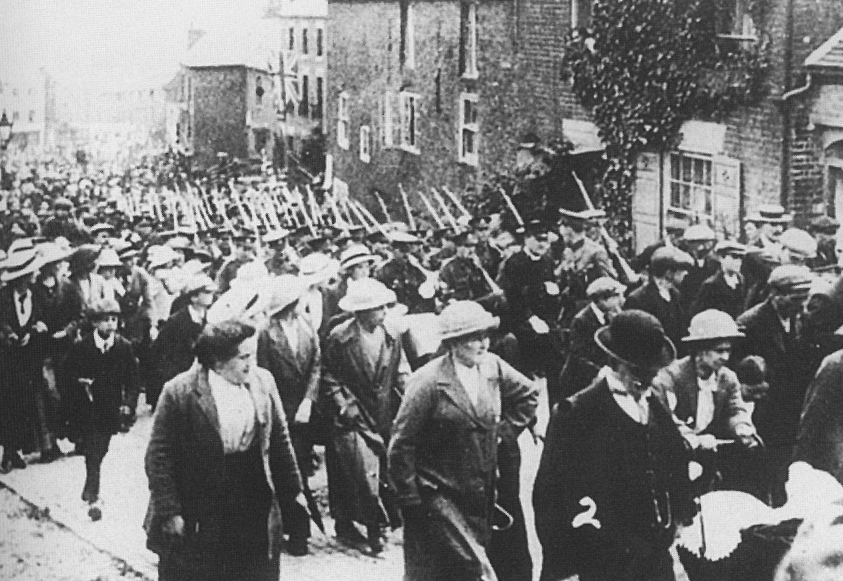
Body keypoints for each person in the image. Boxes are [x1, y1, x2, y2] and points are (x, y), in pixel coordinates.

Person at [534, 310, 696, 581]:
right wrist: (565, 565)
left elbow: (675, 460)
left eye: (652, 372)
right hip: (600, 557)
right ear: (616, 363)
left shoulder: (655, 406)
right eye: (638, 372)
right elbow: (550, 495)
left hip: (653, 554)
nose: (646, 381)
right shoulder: (577, 414)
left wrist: (681, 514)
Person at [144, 320, 307, 581]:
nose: (249, 364)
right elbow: (158, 457)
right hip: (201, 501)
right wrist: (170, 511)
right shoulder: (180, 392)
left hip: (252, 493)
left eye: (250, 356)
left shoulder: (263, 382)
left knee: (254, 569)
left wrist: (294, 493)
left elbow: (279, 442)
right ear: (218, 362)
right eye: (242, 357)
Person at [388, 301, 538, 581]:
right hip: (439, 491)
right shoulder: (428, 382)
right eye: (473, 338)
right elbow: (401, 444)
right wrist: (411, 499)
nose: (483, 344)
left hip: (481, 489)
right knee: (460, 566)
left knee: (473, 562)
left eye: (485, 336)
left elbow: (529, 395)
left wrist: (502, 433)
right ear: (454, 343)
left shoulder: (492, 368)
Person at [320, 278, 410, 553]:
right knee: (360, 472)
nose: (383, 312)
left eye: (384, 306)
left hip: (384, 411)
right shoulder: (340, 337)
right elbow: (328, 375)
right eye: (377, 308)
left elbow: (401, 368)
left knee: (385, 468)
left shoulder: (392, 334)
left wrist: (410, 392)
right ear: (361, 312)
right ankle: (369, 527)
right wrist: (342, 404)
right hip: (352, 415)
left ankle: (384, 522)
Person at [652, 309, 760, 496]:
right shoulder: (670, 378)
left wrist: (741, 427)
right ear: (700, 351)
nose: (725, 357)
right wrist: (693, 438)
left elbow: (735, 409)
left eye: (728, 350)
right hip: (674, 455)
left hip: (708, 455)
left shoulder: (727, 378)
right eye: (719, 351)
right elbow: (666, 419)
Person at [733, 264, 815, 506]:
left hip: (792, 412)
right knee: (762, 475)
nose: (802, 304)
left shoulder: (801, 319)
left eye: (805, 298)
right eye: (796, 298)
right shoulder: (750, 323)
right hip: (763, 413)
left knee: (787, 473)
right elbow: (735, 368)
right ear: (775, 294)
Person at [257, 275, 320, 556]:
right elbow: (263, 376)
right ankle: (293, 530)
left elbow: (317, 366)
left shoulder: (307, 326)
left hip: (303, 414)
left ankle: (299, 531)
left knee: (302, 468)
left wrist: (308, 400)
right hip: (279, 412)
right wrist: (277, 410)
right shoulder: (265, 334)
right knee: (285, 472)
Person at [62, 299, 139, 521]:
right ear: (95, 323)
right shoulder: (82, 347)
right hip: (86, 408)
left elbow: (133, 379)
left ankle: (89, 484)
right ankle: (94, 495)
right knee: (93, 448)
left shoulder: (123, 347)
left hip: (110, 408)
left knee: (101, 448)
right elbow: (67, 375)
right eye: (105, 320)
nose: (111, 324)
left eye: (114, 319)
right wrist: (80, 383)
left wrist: (128, 404)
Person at [0, 249, 50, 472]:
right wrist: (7, 334)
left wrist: (34, 330)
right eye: (32, 272)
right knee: (8, 404)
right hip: (7, 359)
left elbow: (41, 319)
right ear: (23, 276)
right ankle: (8, 451)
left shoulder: (36, 294)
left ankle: (18, 450)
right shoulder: (2, 296)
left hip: (30, 358)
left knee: (26, 404)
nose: (36, 274)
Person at [146, 274, 215, 410]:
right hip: (178, 369)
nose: (211, 296)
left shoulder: (210, 318)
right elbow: (160, 350)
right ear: (194, 297)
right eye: (206, 292)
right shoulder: (177, 321)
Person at [558, 276, 626, 400]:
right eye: (617, 297)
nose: (622, 301)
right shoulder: (581, 321)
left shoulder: (610, 316)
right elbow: (578, 355)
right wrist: (599, 371)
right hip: (579, 380)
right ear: (603, 299)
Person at [624, 245, 694, 349]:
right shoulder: (638, 299)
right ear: (668, 273)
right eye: (682, 269)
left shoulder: (676, 295)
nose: (686, 273)